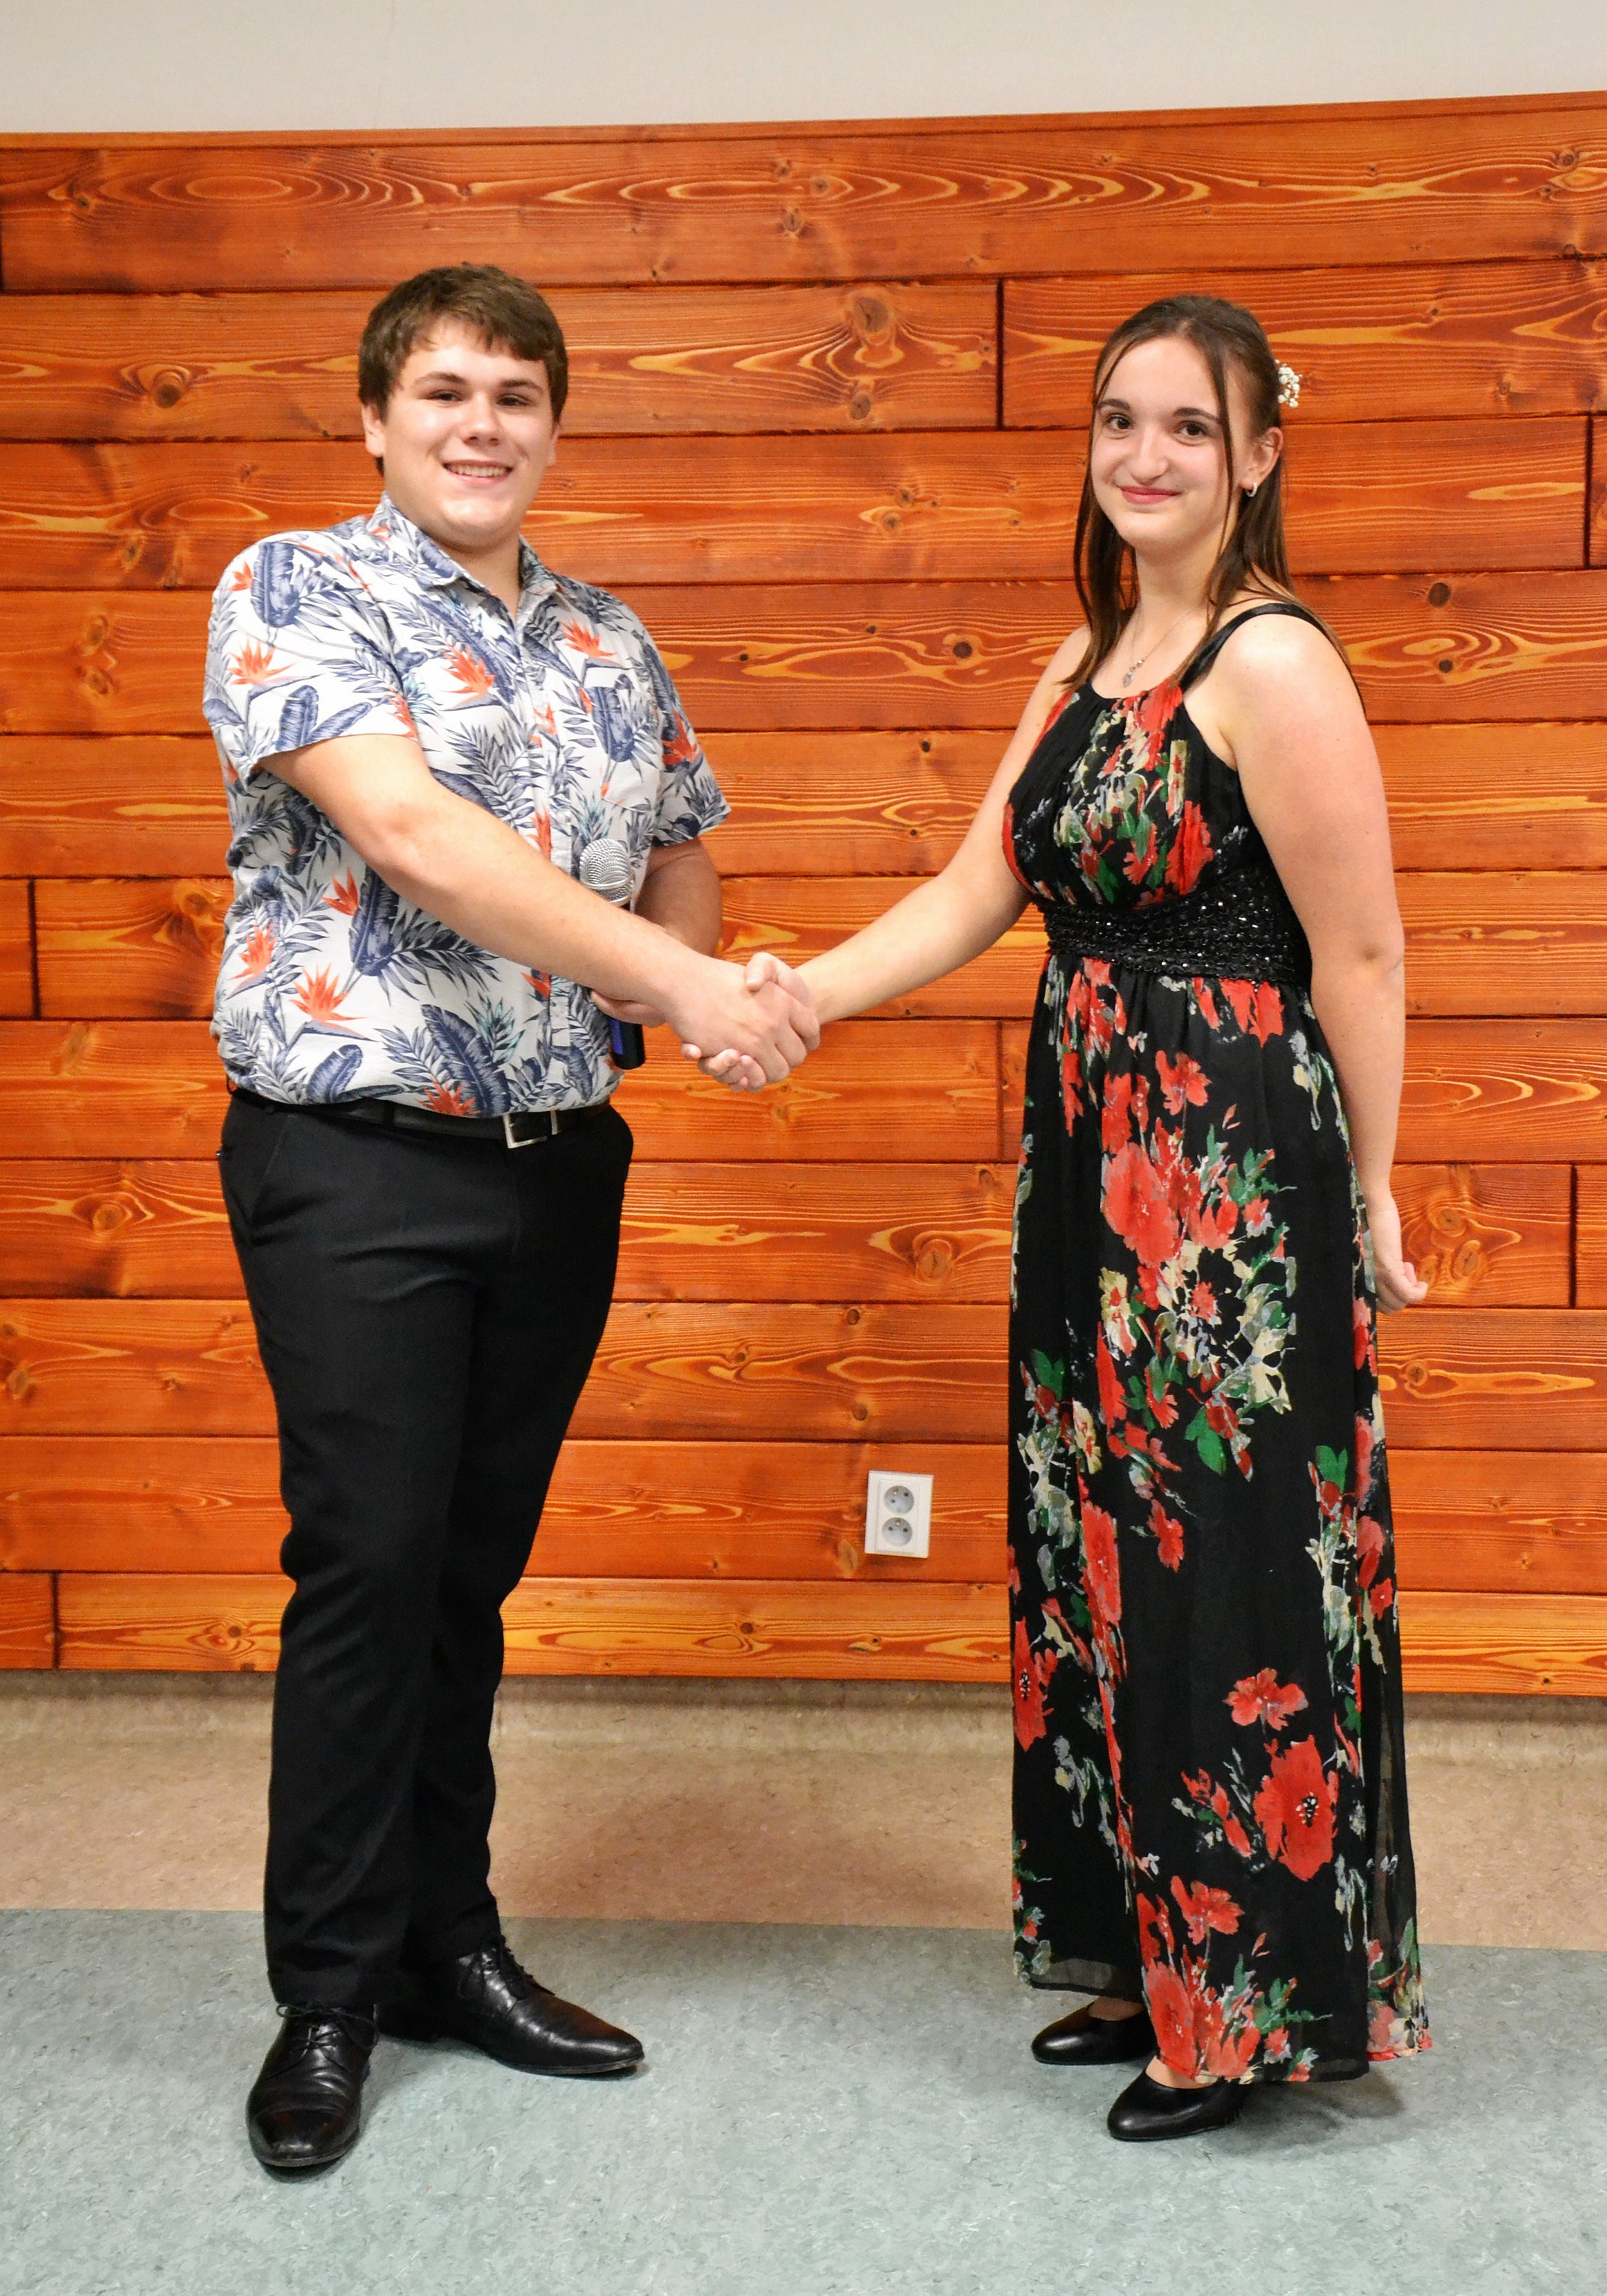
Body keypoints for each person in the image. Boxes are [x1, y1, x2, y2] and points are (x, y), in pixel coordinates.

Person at [704, 295, 1432, 2140]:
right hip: (1088, 1165)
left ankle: (1241, 2015)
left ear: (1258, 453)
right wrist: (793, 996)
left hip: (1231, 1187)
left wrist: (1369, 1191)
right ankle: (1137, 1953)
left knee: (1220, 1570)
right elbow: (974, 890)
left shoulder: (1276, 665)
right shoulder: (1083, 658)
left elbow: (1358, 954)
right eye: (1120, 419)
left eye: (1189, 426)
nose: (1146, 456)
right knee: (1093, 1544)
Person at [202, 263, 817, 2176]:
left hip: (554, 1163)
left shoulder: (611, 639)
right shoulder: (296, 587)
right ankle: (327, 1992)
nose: (483, 426)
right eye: (447, 391)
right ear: (376, 415)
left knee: (466, 1574)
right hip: (359, 1158)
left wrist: (690, 992)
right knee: (371, 1566)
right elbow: (416, 838)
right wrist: (685, 986)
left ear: (555, 425)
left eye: (518, 397)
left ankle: (444, 1946)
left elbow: (683, 846)